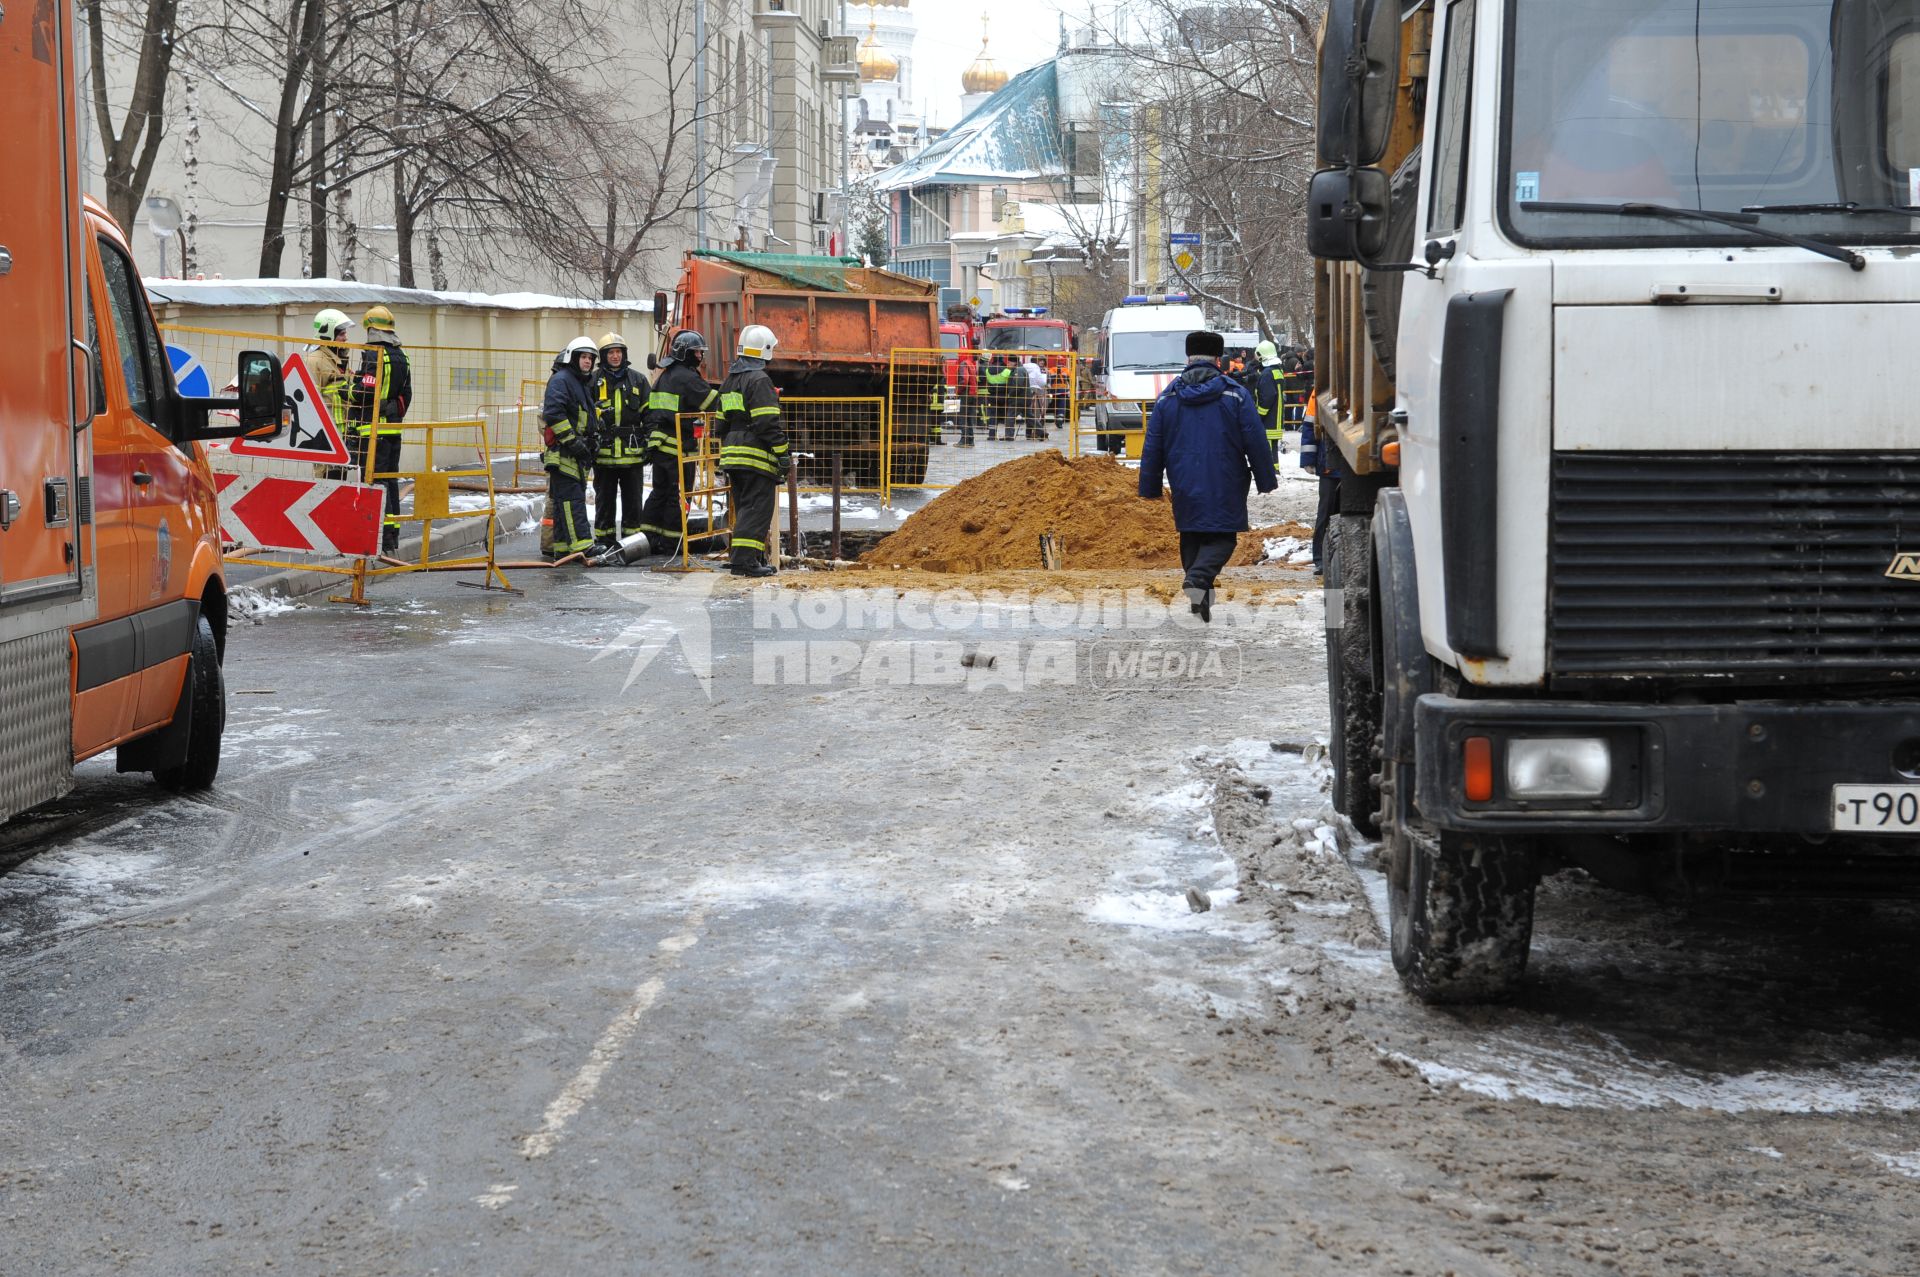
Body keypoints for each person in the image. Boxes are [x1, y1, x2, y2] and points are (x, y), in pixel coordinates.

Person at [1137, 330, 1277, 622]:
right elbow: (1255, 438)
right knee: (1224, 538)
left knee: (1192, 535)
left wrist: (1149, 485)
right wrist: (1265, 478)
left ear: (1188, 357)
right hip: (1227, 477)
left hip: (1183, 478)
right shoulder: (1234, 394)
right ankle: (1198, 580)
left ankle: (1200, 598)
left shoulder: (1168, 397)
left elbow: (1153, 444)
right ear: (1218, 359)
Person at [717, 324, 790, 578]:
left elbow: (720, 423)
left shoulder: (730, 380)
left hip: (733, 455)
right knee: (757, 510)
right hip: (755, 457)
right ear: (765, 350)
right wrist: (783, 453)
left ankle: (748, 559)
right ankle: (745, 563)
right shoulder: (759, 380)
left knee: (745, 509)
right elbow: (767, 423)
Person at [639, 329, 719, 558]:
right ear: (685, 353)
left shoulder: (666, 375)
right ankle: (672, 544)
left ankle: (649, 539)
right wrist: (738, 395)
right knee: (679, 495)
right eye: (696, 352)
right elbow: (713, 402)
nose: (700, 356)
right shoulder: (687, 377)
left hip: (661, 447)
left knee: (660, 493)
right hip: (679, 449)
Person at [347, 305, 412, 553]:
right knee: (391, 481)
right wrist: (392, 409)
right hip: (394, 430)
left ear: (372, 329)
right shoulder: (402, 355)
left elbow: (367, 388)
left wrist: (349, 390)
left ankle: (379, 538)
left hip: (372, 431)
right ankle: (392, 536)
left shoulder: (373, 353)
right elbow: (407, 394)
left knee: (375, 483)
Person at [590, 332, 650, 552]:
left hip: (632, 455)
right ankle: (603, 544)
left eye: (618, 352)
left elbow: (649, 415)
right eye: (611, 352)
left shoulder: (638, 380)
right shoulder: (593, 380)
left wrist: (650, 443)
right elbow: (585, 414)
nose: (615, 356)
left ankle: (631, 544)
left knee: (633, 502)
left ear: (624, 354)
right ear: (603, 356)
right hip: (604, 456)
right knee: (604, 502)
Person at [541, 337, 599, 561]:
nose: (588, 362)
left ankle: (564, 549)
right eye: (583, 357)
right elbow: (554, 414)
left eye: (590, 358)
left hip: (576, 454)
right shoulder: (562, 380)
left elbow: (583, 415)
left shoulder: (580, 382)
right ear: (573, 358)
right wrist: (573, 442)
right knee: (572, 502)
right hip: (565, 453)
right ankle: (582, 547)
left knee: (566, 501)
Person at [1302, 389, 1342, 577]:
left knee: (1331, 512)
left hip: (1331, 464)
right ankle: (1320, 558)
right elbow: (1310, 425)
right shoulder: (1320, 390)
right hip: (1329, 465)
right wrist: (1308, 459)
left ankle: (1329, 557)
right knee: (1325, 513)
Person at [309, 308, 355, 430]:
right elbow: (310, 399)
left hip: (344, 430)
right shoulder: (316, 360)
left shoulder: (337, 359)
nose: (346, 338)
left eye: (345, 333)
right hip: (327, 430)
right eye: (341, 334)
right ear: (327, 335)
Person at [1251, 339, 1285, 464]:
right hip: (1276, 418)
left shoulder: (1266, 374)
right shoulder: (1277, 371)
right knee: (1273, 449)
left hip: (1268, 420)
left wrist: (1259, 415)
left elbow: (1267, 397)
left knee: (1268, 450)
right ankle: (1274, 471)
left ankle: (1272, 473)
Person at [984, 355, 1016, 441]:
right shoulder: (1007, 371)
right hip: (1004, 397)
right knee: (1007, 416)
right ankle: (1008, 435)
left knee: (992, 416)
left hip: (992, 396)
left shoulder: (987, 370)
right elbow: (1011, 383)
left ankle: (992, 435)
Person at [955, 352, 984, 447]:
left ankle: (964, 440)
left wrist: (958, 391)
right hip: (973, 394)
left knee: (963, 418)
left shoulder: (964, 364)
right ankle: (971, 440)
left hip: (965, 394)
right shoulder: (971, 364)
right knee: (969, 418)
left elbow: (964, 380)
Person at [1022, 356, 1049, 440]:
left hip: (1041, 393)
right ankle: (1032, 433)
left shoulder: (1045, 370)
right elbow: (1042, 382)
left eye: (1043, 361)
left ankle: (1036, 433)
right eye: (1040, 361)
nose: (1042, 362)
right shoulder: (1033, 369)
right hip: (1034, 392)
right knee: (1033, 413)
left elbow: (1047, 381)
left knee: (1039, 413)